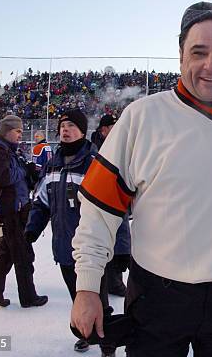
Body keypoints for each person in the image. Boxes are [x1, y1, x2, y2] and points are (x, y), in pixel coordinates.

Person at [71, 2, 212, 357]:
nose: (211, 65)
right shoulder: (141, 117)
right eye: (199, 52)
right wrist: (87, 288)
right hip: (156, 298)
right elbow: (99, 211)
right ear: (180, 56)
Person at [25, 109, 115, 356]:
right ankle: (84, 334)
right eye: (63, 125)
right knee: (77, 297)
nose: (65, 129)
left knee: (99, 300)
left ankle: (107, 345)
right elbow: (42, 201)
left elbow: (110, 208)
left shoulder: (95, 163)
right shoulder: (53, 164)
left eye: (72, 126)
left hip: (93, 251)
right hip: (65, 249)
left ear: (83, 132)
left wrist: (121, 249)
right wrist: (32, 229)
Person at [0, 114, 48, 308]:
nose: (21, 134)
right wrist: (23, 170)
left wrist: (29, 171)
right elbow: (2, 178)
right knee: (22, 255)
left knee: (7, 253)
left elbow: (16, 179)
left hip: (17, 207)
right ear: (7, 131)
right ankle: (28, 297)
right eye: (17, 131)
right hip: (9, 210)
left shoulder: (10, 150)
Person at [89, 113, 131, 297]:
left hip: (117, 198)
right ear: (103, 130)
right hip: (101, 200)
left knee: (119, 238)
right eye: (112, 126)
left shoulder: (120, 145)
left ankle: (115, 280)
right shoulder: (94, 150)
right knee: (101, 241)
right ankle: (104, 283)